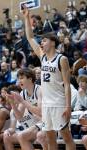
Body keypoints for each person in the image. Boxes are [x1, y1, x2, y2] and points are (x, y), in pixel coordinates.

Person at [23, 6, 76, 150]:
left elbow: (67, 84)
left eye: (44, 40)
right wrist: (27, 17)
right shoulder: (43, 57)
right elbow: (30, 37)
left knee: (66, 137)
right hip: (46, 105)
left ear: (53, 42)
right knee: (50, 138)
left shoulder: (62, 59)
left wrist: (68, 106)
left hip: (59, 103)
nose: (42, 43)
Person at [4, 68, 47, 150]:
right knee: (7, 137)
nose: (19, 81)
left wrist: (22, 101)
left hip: (46, 123)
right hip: (35, 126)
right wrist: (12, 103)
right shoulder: (23, 93)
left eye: (22, 78)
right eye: (18, 78)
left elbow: (40, 112)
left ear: (30, 79)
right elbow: (20, 117)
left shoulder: (40, 90)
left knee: (22, 136)